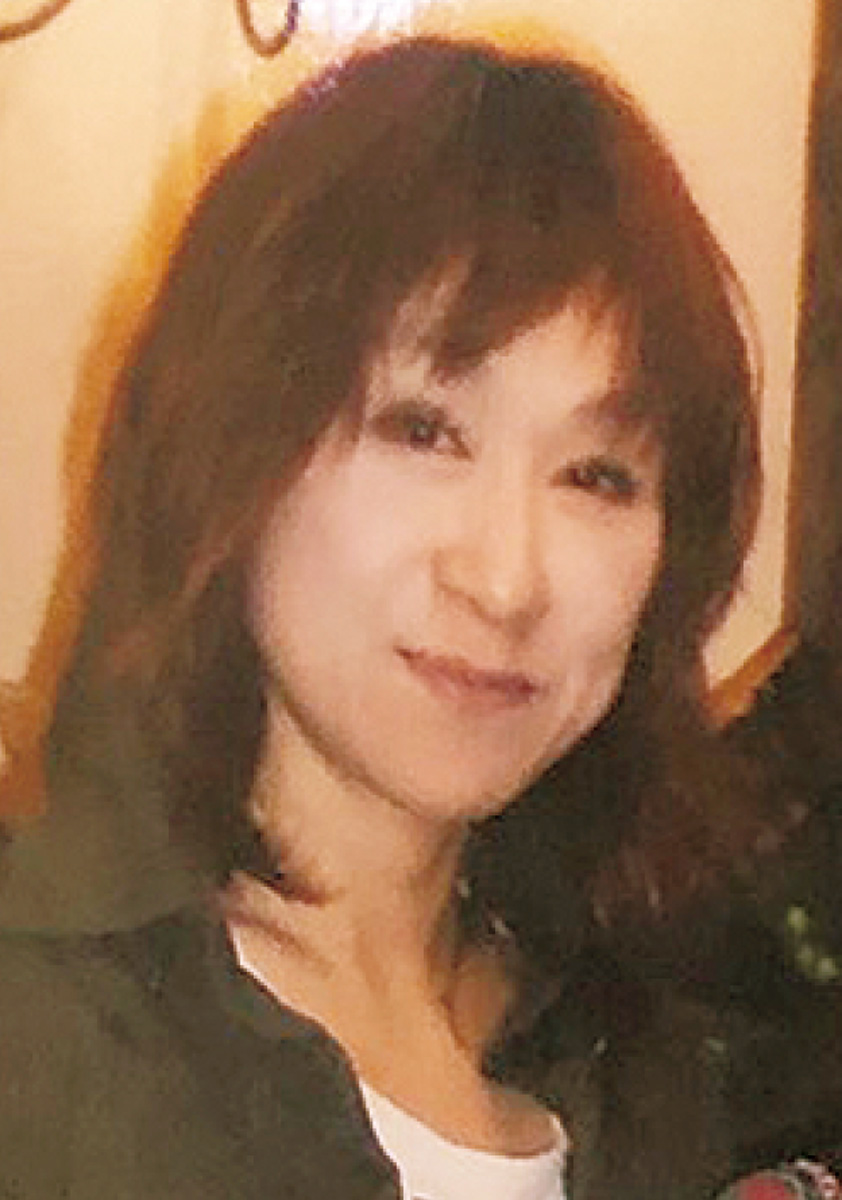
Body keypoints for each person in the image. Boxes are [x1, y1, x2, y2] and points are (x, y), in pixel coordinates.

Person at [0, 33, 760, 1200]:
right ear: (228, 447)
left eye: (597, 476)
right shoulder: (44, 1044)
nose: (504, 582)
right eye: (422, 430)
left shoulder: (645, 1056)